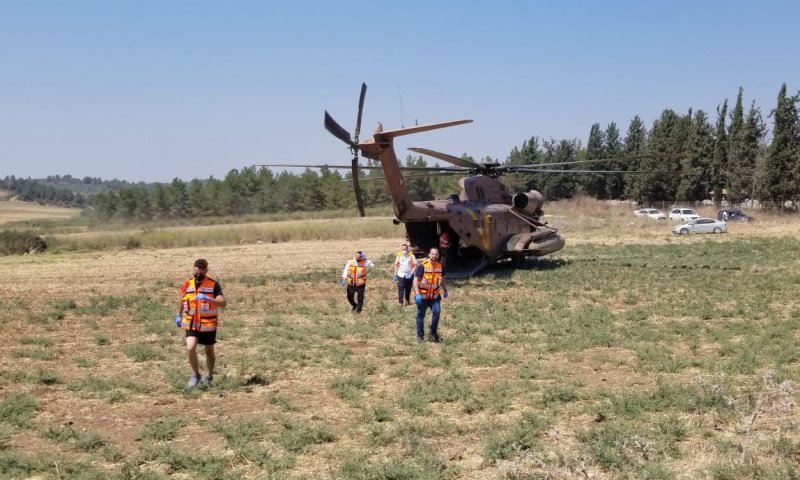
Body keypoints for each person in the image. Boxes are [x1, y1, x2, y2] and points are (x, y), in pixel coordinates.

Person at [175, 258, 226, 387]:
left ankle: (209, 375)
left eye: (201, 274)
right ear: (193, 270)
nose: (198, 276)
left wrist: (207, 298)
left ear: (206, 271)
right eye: (196, 273)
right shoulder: (187, 283)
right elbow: (183, 299)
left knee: (209, 351)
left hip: (207, 325)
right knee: (190, 348)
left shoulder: (213, 284)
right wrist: (178, 314)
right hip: (191, 323)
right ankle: (196, 375)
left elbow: (222, 303)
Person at [413, 247, 448, 342]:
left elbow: (443, 278)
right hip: (423, 297)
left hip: (435, 297)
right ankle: (420, 336)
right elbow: (415, 280)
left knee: (436, 313)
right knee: (420, 315)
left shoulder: (440, 266)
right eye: (432, 254)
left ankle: (433, 333)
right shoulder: (422, 266)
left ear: (438, 256)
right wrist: (417, 294)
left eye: (436, 254)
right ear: (429, 254)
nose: (434, 256)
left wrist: (445, 290)